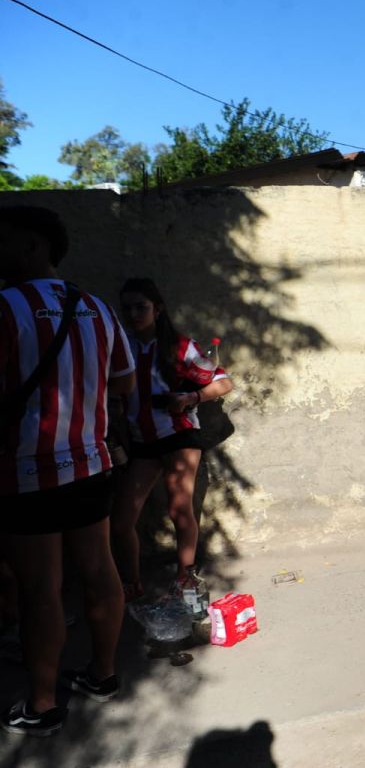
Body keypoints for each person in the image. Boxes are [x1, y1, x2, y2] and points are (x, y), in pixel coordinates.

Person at [0, 206, 134, 736]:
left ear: (33, 245)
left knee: (41, 591)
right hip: (91, 463)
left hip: (25, 472)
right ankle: (102, 677)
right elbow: (123, 382)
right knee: (100, 572)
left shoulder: (5, 308)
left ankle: (42, 705)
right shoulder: (97, 308)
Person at [110, 278, 232, 602]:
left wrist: (191, 396)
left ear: (158, 309)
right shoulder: (121, 346)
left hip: (178, 435)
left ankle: (185, 577)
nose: (134, 314)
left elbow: (223, 382)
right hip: (142, 443)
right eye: (127, 308)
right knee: (122, 521)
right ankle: (131, 584)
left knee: (180, 509)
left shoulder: (179, 346)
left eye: (141, 307)